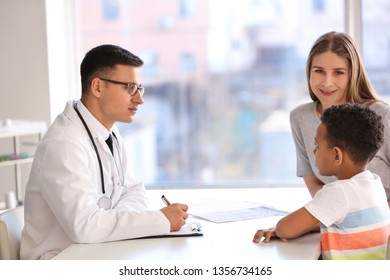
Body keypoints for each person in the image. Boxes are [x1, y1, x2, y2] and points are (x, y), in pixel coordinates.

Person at [20, 44, 189, 260]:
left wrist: (109, 221)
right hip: (58, 261)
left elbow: (134, 191)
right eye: (130, 87)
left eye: (140, 88)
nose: (139, 99)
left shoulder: (110, 131)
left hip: (97, 251)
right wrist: (160, 220)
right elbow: (85, 225)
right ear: (98, 87)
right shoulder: (62, 144)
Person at [253, 103, 390, 260]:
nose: (314, 151)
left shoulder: (338, 192)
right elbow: (343, 220)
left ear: (337, 156)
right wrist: (306, 227)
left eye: (317, 145)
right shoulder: (374, 182)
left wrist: (280, 228)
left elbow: (285, 229)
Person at [290, 31, 390, 207]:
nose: (327, 82)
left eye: (339, 73)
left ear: (353, 74)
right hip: (340, 222)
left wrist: (368, 217)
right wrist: (305, 222)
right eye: (319, 71)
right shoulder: (300, 118)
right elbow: (314, 182)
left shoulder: (381, 115)